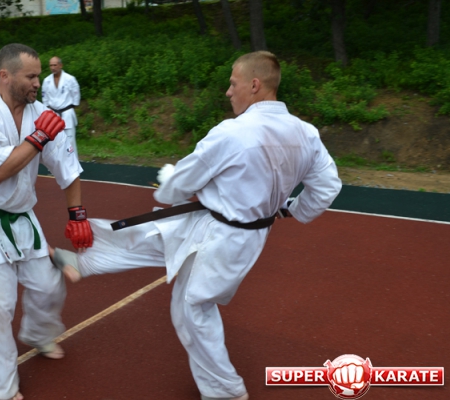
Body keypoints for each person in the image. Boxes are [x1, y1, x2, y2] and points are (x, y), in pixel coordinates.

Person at [50, 51, 343, 400]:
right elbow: (327, 187)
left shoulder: (233, 133)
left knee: (191, 308)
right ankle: (84, 261)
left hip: (228, 238)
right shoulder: (306, 134)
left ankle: (225, 390)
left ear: (254, 85)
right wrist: (290, 209)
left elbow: (186, 179)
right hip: (223, 225)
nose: (228, 92)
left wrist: (169, 185)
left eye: (233, 84)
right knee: (157, 235)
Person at [0, 43, 93, 400]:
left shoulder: (41, 113)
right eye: (30, 76)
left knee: (49, 286)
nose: (37, 83)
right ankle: (3, 387)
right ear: (5, 75)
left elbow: (67, 166)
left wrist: (77, 215)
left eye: (39, 76)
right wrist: (39, 136)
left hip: (21, 217)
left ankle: (37, 333)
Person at [42, 56, 80, 155]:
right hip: (53, 114)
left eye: (55, 65)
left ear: (60, 65)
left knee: (70, 141)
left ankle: (72, 163)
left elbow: (76, 97)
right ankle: (56, 163)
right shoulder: (46, 81)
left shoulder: (70, 79)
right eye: (51, 65)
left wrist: (69, 107)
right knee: (54, 142)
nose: (53, 67)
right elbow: (45, 99)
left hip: (67, 113)